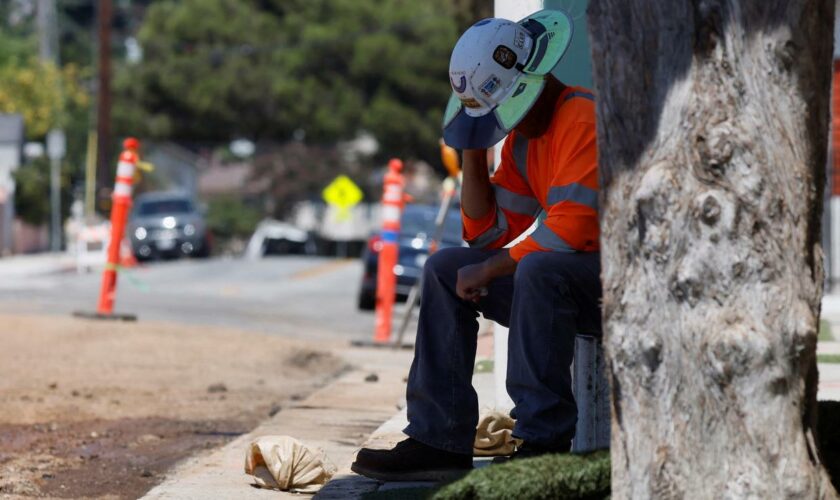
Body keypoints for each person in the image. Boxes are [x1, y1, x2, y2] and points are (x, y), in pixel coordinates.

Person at [352, 9, 601, 482]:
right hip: (570, 282)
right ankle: (437, 439)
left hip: (620, 288)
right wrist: (471, 142)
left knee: (538, 270)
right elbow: (486, 232)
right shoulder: (524, 141)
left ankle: (544, 443)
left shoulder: (581, 117)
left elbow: (572, 230)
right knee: (447, 268)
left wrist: (490, 271)